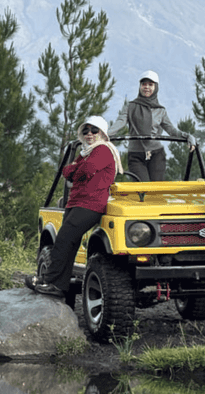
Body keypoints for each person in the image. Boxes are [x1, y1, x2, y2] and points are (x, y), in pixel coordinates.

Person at [26, 116, 122, 298]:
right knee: (69, 243)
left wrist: (76, 170)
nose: (89, 134)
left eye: (94, 130)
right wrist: (77, 170)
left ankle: (50, 281)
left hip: (91, 204)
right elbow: (66, 171)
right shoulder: (86, 153)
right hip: (76, 202)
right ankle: (59, 286)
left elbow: (84, 170)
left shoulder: (103, 150)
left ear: (102, 133)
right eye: (85, 131)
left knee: (63, 239)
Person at [108, 70, 196, 181]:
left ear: (156, 87)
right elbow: (119, 122)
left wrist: (187, 136)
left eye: (150, 84)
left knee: (155, 189)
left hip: (156, 154)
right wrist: (104, 135)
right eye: (143, 84)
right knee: (142, 187)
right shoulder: (131, 107)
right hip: (136, 155)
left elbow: (171, 130)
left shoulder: (160, 110)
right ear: (140, 86)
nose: (146, 87)